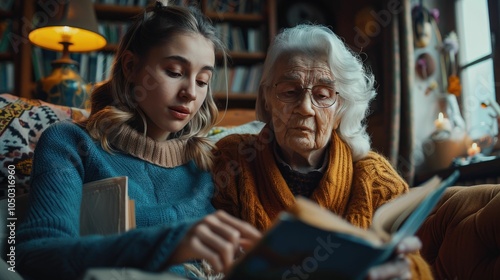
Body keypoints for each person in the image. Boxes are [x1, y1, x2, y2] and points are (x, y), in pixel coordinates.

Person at [16, 1, 260, 279]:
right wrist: (166, 244)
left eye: (203, 80)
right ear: (131, 66)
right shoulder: (69, 144)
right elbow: (35, 255)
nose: (191, 92)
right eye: (175, 72)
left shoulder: (213, 162)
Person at [212, 24, 433, 279]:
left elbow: (415, 265)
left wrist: (405, 273)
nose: (305, 107)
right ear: (266, 100)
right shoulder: (232, 161)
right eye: (289, 92)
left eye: (323, 94)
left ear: (341, 109)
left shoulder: (377, 181)